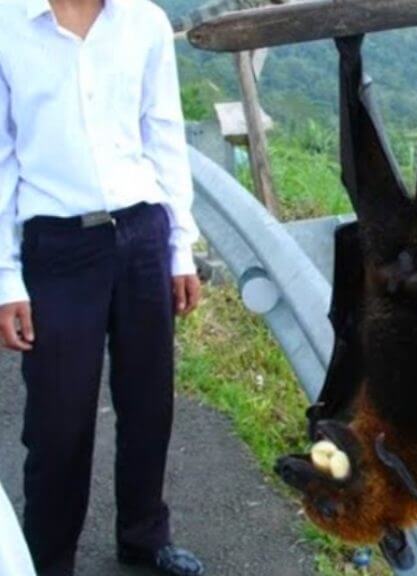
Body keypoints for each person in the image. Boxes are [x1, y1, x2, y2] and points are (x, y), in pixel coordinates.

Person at [0, 0, 205, 573]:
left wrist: (178, 248)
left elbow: (163, 132)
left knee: (148, 402)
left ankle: (144, 536)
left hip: (141, 231)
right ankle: (48, 556)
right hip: (57, 246)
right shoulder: (7, 26)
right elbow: (1, 159)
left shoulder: (144, 22)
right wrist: (6, 278)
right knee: (57, 419)